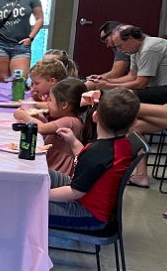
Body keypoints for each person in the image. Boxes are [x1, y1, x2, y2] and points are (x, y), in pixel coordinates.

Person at [48, 88, 140, 230]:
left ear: (95, 116)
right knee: (43, 173)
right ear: (133, 123)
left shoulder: (98, 152)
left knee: (29, 204)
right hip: (86, 195)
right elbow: (89, 165)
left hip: (89, 214)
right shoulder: (120, 144)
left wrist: (42, 195)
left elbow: (75, 192)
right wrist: (73, 141)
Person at [90, 26, 167, 104]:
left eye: (120, 46)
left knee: (124, 96)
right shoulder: (134, 50)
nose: (120, 50)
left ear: (130, 38)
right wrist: (106, 80)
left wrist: (109, 86)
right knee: (115, 92)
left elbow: (140, 84)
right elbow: (132, 77)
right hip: (160, 87)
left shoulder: (149, 49)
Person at [13, 77, 84, 175]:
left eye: (50, 101)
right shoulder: (67, 119)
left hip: (59, 170)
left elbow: (42, 128)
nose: (47, 104)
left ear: (64, 105)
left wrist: (25, 117)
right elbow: (47, 127)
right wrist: (38, 118)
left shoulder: (70, 121)